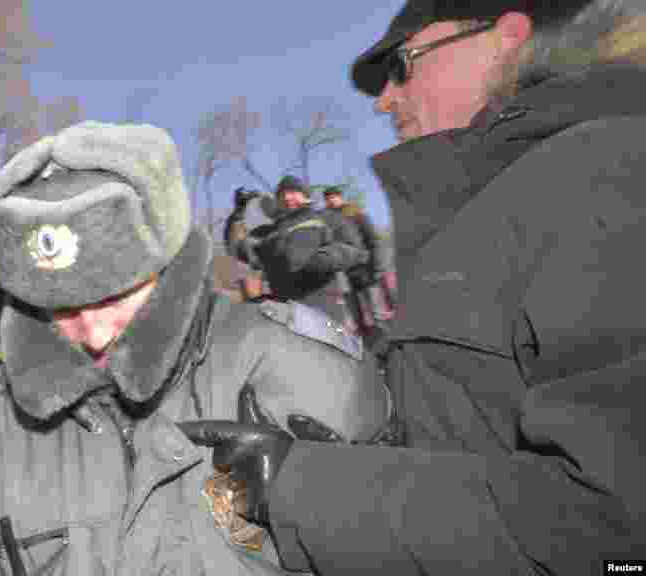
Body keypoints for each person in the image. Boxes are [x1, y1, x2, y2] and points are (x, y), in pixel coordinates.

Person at [181, 1, 646, 572]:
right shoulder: (492, 202)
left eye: (403, 64)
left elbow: (615, 533)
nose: (384, 100)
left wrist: (302, 489)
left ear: (508, 35)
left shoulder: (612, 170)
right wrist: (376, 446)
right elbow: (482, 432)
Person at [0, 121, 392, 575]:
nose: (94, 334)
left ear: (166, 268)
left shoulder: (291, 366)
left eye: (115, 295)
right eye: (61, 307)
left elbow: (407, 530)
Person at [225, 175, 371, 334]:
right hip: (286, 315)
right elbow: (237, 248)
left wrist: (324, 259)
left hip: (324, 309)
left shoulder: (326, 218)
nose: (287, 197)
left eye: (293, 192)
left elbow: (356, 249)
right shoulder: (269, 233)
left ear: (306, 196)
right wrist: (238, 215)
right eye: (281, 195)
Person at [322, 185, 395, 325]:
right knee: (358, 314)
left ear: (340, 197)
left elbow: (371, 236)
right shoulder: (328, 218)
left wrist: (376, 264)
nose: (331, 200)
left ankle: (384, 329)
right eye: (328, 199)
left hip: (365, 266)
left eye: (334, 197)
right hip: (346, 270)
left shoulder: (353, 211)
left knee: (377, 308)